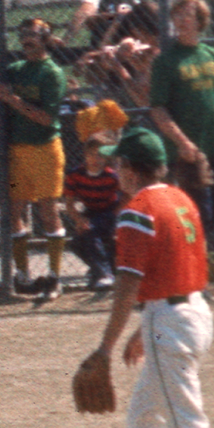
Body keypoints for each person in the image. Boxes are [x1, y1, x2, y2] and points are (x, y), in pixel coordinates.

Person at [95, 127, 214, 428]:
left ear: (130, 170)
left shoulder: (137, 210)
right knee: (144, 417)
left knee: (188, 426)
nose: (115, 170)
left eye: (118, 163)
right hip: (189, 311)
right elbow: (175, 265)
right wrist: (144, 328)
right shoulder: (178, 198)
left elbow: (127, 284)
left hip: (170, 323)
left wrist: (105, 348)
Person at [0, 15, 76, 301]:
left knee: (48, 211)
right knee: (14, 213)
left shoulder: (52, 73)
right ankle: (23, 276)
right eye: (23, 34)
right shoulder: (15, 69)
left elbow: (45, 118)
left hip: (44, 148)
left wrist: (12, 99)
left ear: (46, 39)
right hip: (18, 150)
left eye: (34, 35)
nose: (27, 39)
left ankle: (54, 277)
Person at [147, 0, 214, 252]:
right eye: (178, 14)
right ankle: (203, 265)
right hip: (187, 153)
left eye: (189, 14)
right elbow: (158, 109)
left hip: (213, 148)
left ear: (200, 20)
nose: (182, 20)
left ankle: (211, 263)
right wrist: (182, 143)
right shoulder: (165, 61)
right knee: (199, 214)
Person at [67, 57, 136, 295]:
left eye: (96, 73)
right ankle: (102, 269)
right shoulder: (87, 112)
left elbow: (119, 128)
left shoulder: (108, 103)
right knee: (83, 237)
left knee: (99, 229)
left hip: (110, 174)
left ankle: (104, 270)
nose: (93, 78)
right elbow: (84, 138)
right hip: (94, 202)